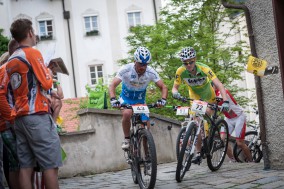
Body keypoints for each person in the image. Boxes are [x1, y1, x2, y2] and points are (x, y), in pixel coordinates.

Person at [5, 18, 62, 189]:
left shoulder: (11, 58)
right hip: (37, 115)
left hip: (20, 117)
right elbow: (45, 83)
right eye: (34, 31)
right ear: (30, 33)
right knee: (50, 166)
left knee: (25, 167)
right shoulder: (32, 53)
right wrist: (49, 72)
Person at [172, 47, 229, 164]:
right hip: (194, 96)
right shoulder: (180, 71)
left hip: (209, 96)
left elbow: (219, 84)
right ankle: (198, 152)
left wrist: (226, 101)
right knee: (196, 121)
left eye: (191, 62)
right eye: (185, 63)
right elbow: (174, 88)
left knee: (207, 112)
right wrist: (175, 93)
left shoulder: (204, 68)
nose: (188, 65)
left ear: (195, 59)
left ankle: (210, 135)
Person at [109, 46, 168, 150]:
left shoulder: (150, 72)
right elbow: (112, 85)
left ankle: (147, 157)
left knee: (146, 127)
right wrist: (113, 99)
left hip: (140, 101)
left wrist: (163, 100)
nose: (143, 67)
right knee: (127, 113)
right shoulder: (126, 69)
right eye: (141, 64)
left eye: (145, 64)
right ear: (135, 61)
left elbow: (163, 87)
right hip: (126, 99)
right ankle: (127, 139)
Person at [212, 83, 253, 162]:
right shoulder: (212, 94)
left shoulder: (223, 92)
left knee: (240, 143)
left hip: (239, 117)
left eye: (214, 85)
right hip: (228, 118)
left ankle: (251, 161)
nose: (213, 87)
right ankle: (233, 160)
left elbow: (217, 101)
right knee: (222, 140)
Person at [0, 39, 20, 189]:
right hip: (7, 124)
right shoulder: (6, 69)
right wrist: (12, 118)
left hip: (7, 124)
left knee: (14, 163)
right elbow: (1, 96)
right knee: (22, 161)